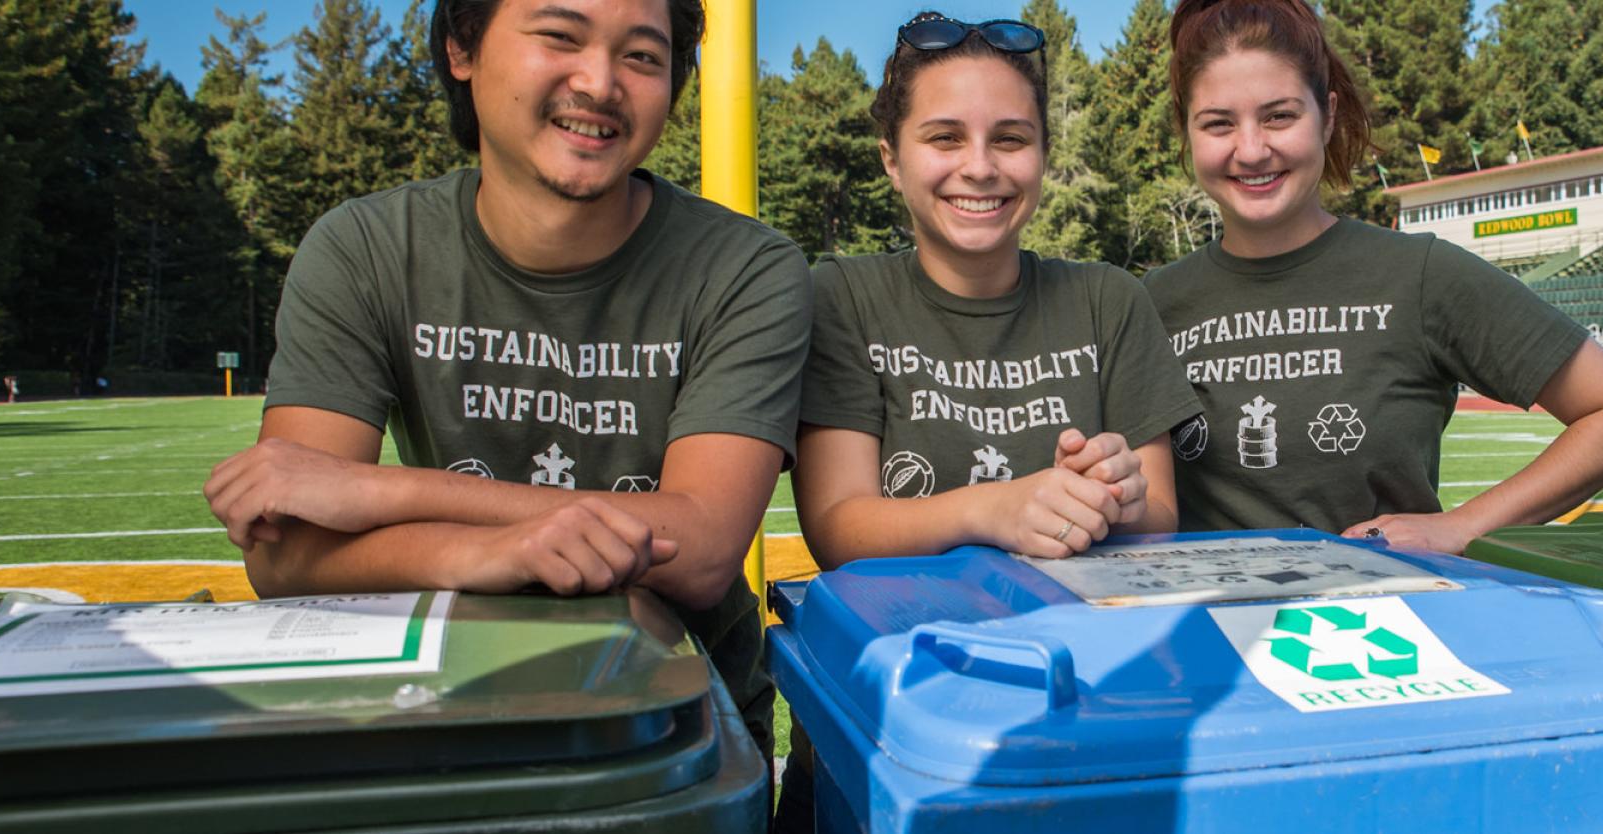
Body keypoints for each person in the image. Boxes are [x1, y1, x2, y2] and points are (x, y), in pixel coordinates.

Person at [201, 0, 809, 780]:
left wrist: (375, 493)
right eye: (560, 36)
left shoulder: (746, 268)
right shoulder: (364, 249)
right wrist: (490, 550)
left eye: (643, 57)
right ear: (462, 46)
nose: (599, 82)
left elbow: (699, 548)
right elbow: (285, 555)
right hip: (445, 708)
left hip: (675, 728)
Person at [778, 12, 1200, 829]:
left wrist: (1108, 491)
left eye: (1010, 138)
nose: (981, 167)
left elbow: (1162, 513)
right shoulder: (843, 296)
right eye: (944, 137)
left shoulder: (1108, 299)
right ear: (892, 161)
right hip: (889, 731)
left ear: (1042, 154)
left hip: (1087, 731)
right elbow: (838, 523)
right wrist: (998, 507)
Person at [1145, 0, 1603, 554]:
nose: (1251, 149)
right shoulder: (1146, 304)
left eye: (1279, 116)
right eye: (1219, 123)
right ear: (1187, 132)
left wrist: (1466, 525)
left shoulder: (1420, 275)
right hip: (1205, 630)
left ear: (1328, 116)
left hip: (1380, 626)